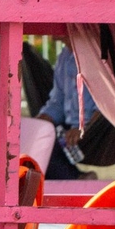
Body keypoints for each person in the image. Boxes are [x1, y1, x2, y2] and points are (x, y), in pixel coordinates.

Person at [38, 42, 101, 182]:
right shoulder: (64, 57)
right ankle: (78, 179)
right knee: (38, 142)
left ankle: (76, 182)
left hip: (98, 130)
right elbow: (57, 101)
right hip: (69, 129)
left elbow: (107, 103)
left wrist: (84, 128)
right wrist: (36, 125)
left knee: (47, 146)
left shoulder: (98, 53)